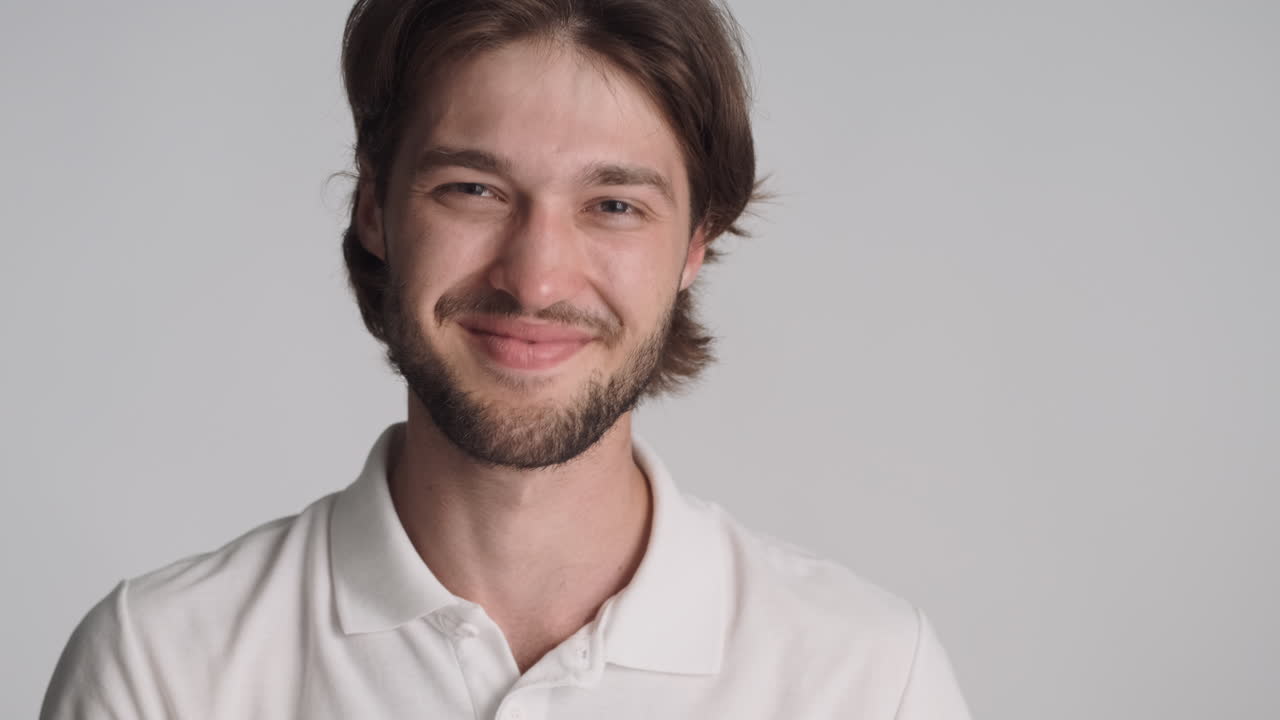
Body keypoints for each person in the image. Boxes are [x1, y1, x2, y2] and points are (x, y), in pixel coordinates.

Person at [41, 0, 972, 717]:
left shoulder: (867, 679)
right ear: (375, 209)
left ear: (695, 244)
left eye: (613, 205)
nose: (533, 279)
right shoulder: (163, 666)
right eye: (473, 189)